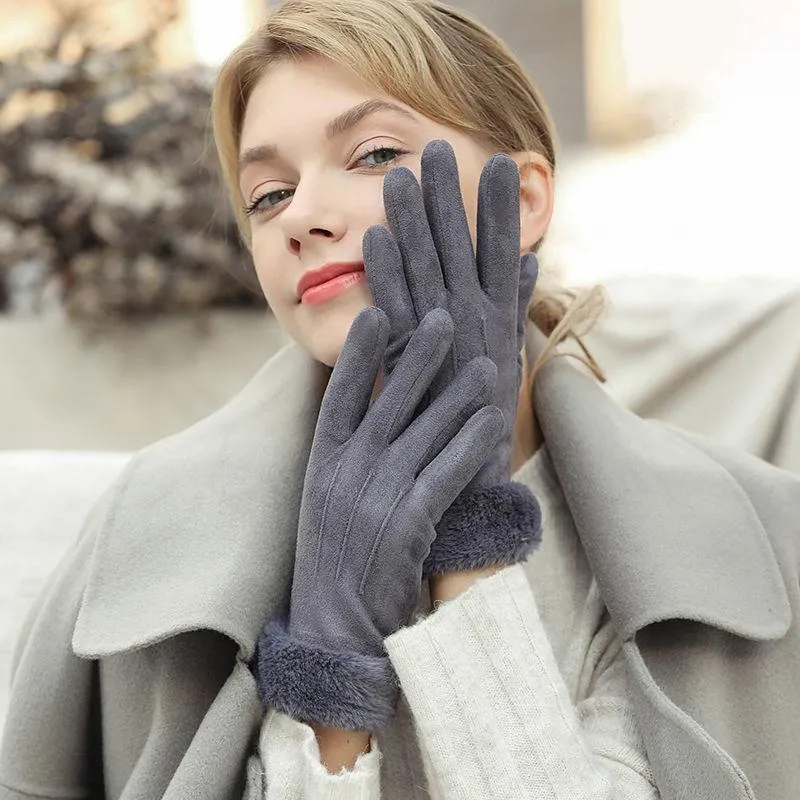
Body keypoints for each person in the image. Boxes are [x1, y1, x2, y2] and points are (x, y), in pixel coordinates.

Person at [1, 2, 799, 799]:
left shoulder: (754, 542)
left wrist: (472, 541)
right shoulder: (138, 539)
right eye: (268, 194)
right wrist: (329, 675)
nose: (303, 217)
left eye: (374, 153)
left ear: (521, 199)